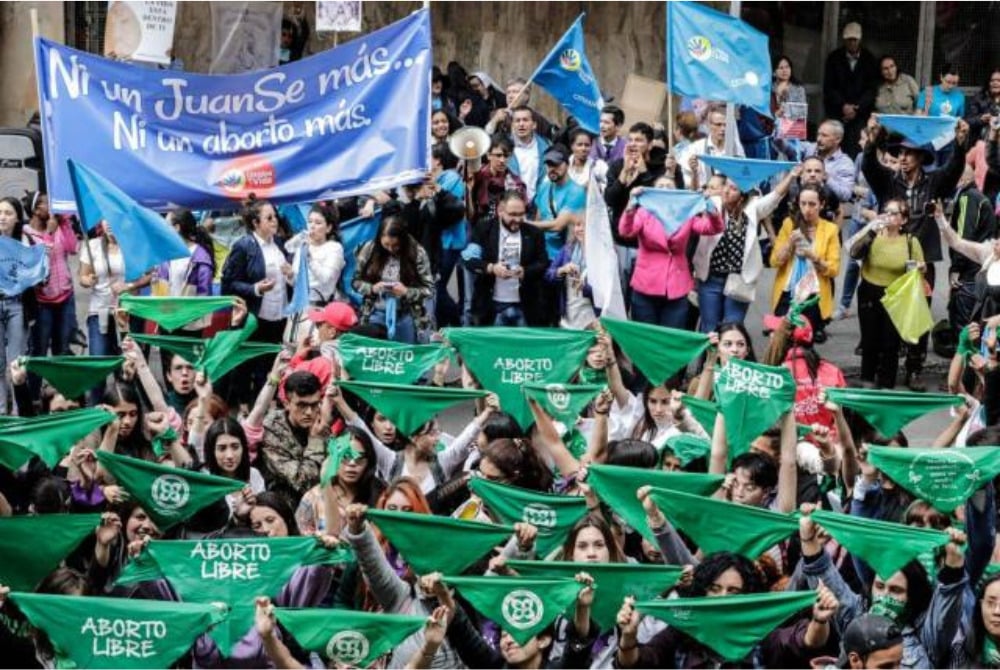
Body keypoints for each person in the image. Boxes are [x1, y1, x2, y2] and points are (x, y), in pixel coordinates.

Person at [863, 116, 971, 390]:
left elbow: (954, 169)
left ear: (921, 157)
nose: (903, 158)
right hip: (887, 256)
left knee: (918, 315)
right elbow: (869, 167)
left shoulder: (934, 183)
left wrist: (960, 144)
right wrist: (873, 138)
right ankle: (878, 369)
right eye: (900, 152)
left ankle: (914, 369)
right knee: (883, 315)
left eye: (909, 153)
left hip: (921, 261)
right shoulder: (888, 182)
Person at [692, 167, 799, 333]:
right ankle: (710, 359)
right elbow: (693, 200)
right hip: (711, 278)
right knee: (710, 329)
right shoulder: (713, 204)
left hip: (740, 279)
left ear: (742, 197)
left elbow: (775, 197)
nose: (727, 191)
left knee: (733, 327)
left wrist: (791, 175)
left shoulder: (752, 210)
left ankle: (729, 359)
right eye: (726, 186)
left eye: (733, 189)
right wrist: (694, 176)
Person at [619, 180, 723, 330]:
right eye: (660, 187)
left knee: (671, 339)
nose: (665, 190)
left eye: (669, 187)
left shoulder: (686, 214)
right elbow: (626, 231)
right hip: (646, 285)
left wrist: (709, 204)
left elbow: (713, 228)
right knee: (646, 338)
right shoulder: (644, 213)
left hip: (676, 287)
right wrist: (630, 206)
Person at [849, 199, 924, 389]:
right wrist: (872, 230)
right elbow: (854, 253)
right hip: (869, 291)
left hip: (896, 294)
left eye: (893, 213)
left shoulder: (910, 241)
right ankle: (867, 378)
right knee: (869, 339)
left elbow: (921, 267)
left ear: (903, 220)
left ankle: (886, 382)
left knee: (890, 343)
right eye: (886, 212)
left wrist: (920, 268)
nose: (888, 216)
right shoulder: (873, 235)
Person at [243, 367, 329, 506]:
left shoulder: (321, 423)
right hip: (282, 508)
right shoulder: (271, 430)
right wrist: (315, 441)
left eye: (314, 405)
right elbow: (303, 481)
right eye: (302, 405)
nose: (309, 412)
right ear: (287, 403)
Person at [769, 185, 842, 340]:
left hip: (813, 295)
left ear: (821, 205)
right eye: (803, 203)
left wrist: (814, 257)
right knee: (782, 341)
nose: (807, 209)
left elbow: (834, 269)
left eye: (812, 204)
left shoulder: (830, 229)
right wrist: (789, 243)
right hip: (788, 293)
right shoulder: (789, 224)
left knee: (805, 343)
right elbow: (774, 261)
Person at [468, 189, 549, 326]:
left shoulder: (534, 233)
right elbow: (468, 259)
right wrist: (492, 268)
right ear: (500, 211)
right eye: (512, 214)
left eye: (521, 214)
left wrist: (525, 271)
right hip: (492, 305)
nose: (517, 220)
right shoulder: (484, 229)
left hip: (526, 306)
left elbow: (543, 262)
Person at [352, 214, 434, 344]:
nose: (390, 249)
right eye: (386, 245)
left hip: (406, 314)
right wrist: (372, 288)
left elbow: (429, 290)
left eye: (395, 245)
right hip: (375, 312)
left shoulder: (417, 253)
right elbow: (355, 282)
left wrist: (407, 292)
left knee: (405, 357)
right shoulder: (369, 250)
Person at [23, 191, 78, 359]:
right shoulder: (26, 234)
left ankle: (59, 384)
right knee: (39, 350)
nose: (53, 207)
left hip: (65, 296)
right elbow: (37, 264)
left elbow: (73, 248)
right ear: (36, 210)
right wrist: (49, 234)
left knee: (62, 349)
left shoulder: (58, 226)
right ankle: (33, 386)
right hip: (42, 302)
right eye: (49, 204)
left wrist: (65, 223)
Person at [823, 22, 880, 158]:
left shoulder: (869, 59)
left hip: (860, 115)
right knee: (834, 148)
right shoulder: (834, 58)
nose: (852, 43)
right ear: (844, 40)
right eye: (849, 40)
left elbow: (871, 89)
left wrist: (857, 107)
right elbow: (829, 87)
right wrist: (843, 105)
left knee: (858, 150)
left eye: (854, 39)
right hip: (838, 112)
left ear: (860, 40)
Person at [0, 198, 32, 413]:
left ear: (17, 217)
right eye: (0, 212)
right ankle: (1, 411)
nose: (2, 217)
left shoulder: (24, 241)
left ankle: (18, 413)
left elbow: (34, 276)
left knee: (16, 362)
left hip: (16, 305)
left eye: (8, 213)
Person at [285, 202, 345, 308]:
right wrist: (290, 275)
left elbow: (326, 279)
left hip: (321, 305)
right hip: (299, 304)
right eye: (309, 222)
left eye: (318, 223)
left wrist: (309, 258)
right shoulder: (302, 246)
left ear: (328, 228)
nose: (312, 226)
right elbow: (296, 282)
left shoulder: (334, 248)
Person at [544, 217, 597, 330]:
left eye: (585, 226)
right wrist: (562, 270)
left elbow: (605, 294)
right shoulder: (567, 250)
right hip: (568, 316)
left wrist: (585, 287)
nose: (580, 229)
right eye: (578, 225)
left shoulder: (602, 255)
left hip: (592, 318)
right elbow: (548, 275)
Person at [679, 108, 746, 191]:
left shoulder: (736, 148)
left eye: (726, 125)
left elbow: (743, 179)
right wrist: (694, 173)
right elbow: (689, 189)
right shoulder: (695, 149)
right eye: (718, 124)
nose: (723, 129)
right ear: (709, 125)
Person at [507, 105, 552, 201]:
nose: (521, 124)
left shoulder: (546, 148)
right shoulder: (504, 148)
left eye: (525, 120)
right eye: (517, 121)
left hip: (539, 204)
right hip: (512, 205)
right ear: (513, 125)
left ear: (534, 125)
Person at [965, 69, 1000, 141]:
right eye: (992, 80)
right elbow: (968, 120)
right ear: (988, 83)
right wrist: (981, 119)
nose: (995, 83)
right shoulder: (978, 98)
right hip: (982, 140)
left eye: (999, 80)